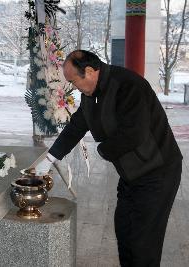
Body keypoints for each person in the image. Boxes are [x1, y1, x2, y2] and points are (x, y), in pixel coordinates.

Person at [35, 50, 182, 267]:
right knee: (124, 231)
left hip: (157, 173)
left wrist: (103, 150)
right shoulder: (90, 93)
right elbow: (76, 126)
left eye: (73, 81)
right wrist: (50, 158)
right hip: (132, 175)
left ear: (89, 71)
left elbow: (135, 133)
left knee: (144, 244)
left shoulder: (128, 86)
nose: (74, 87)